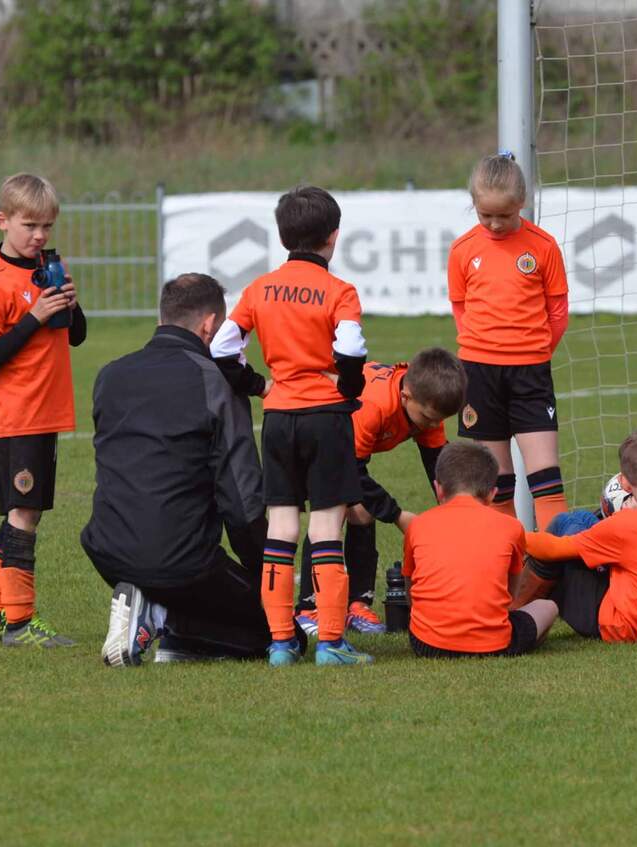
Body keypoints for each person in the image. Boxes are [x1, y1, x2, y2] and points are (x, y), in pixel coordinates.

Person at [84, 274, 293, 667]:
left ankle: (169, 623)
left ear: (163, 317)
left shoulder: (110, 374)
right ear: (209, 325)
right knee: (281, 632)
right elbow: (243, 505)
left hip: (106, 549)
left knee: (188, 571)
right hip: (177, 561)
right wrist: (268, 577)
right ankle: (164, 615)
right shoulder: (215, 381)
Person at [210, 185, 372, 666]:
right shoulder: (340, 291)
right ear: (333, 237)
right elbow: (350, 348)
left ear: (283, 237)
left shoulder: (259, 289)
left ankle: (281, 642)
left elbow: (222, 347)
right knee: (326, 529)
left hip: (279, 418)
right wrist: (350, 386)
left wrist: (259, 385)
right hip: (326, 417)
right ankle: (331, 643)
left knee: (281, 527)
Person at [0, 172, 85, 648]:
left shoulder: (47, 269)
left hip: (44, 412)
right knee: (24, 514)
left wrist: (70, 305)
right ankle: (19, 622)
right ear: (3, 221)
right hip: (16, 416)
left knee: (23, 511)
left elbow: (76, 337)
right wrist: (33, 317)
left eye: (47, 227)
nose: (39, 236)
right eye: (29, 225)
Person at [295, 349, 466, 638]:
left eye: (437, 420)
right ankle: (308, 608)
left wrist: (457, 514)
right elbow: (351, 471)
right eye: (427, 418)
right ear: (406, 396)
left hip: (345, 446)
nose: (431, 425)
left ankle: (357, 605)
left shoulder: (427, 406)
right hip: (309, 428)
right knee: (333, 511)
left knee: (362, 511)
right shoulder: (374, 407)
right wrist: (398, 516)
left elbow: (438, 468)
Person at [447, 152, 570, 529]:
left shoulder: (543, 246)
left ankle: (556, 559)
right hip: (479, 374)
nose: (496, 224)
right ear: (474, 204)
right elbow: (460, 307)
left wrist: (534, 350)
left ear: (522, 203)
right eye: (486, 215)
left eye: (505, 215)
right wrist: (480, 346)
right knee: (496, 485)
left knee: (546, 480)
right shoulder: (463, 249)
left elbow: (558, 311)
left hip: (530, 372)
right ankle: (510, 560)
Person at [513, 428, 637, 642]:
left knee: (562, 531)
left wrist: (511, 534)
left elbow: (553, 549)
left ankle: (513, 613)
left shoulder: (625, 525)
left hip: (619, 626)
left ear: (625, 482)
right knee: (581, 520)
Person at [402, 442, 557, 658]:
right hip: (493, 644)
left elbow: (410, 588)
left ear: (438, 489)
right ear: (492, 494)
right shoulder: (511, 527)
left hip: (425, 643)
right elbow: (510, 594)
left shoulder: (417, 525)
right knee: (548, 607)